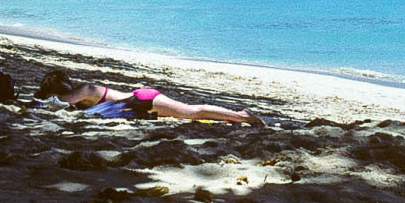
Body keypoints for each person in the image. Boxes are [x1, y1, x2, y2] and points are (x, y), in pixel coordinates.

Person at [33, 69, 265, 125]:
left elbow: (58, 105)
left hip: (143, 100)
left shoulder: (85, 89)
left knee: (193, 112)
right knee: (191, 114)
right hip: (140, 105)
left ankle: (243, 115)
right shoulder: (78, 93)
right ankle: (239, 116)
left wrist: (36, 104)